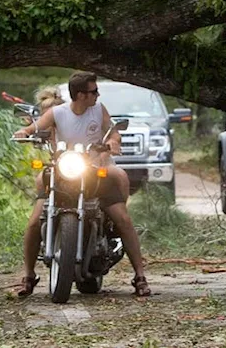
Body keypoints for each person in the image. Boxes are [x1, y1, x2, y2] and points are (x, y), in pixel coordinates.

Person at [12, 71, 150, 297]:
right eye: (93, 91)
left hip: (95, 172)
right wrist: (24, 132)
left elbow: (113, 132)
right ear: (79, 95)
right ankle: (28, 276)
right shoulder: (58, 113)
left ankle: (140, 276)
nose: (98, 94)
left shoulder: (99, 110)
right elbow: (35, 128)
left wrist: (113, 142)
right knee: (35, 221)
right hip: (64, 173)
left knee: (123, 218)